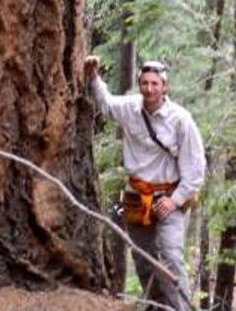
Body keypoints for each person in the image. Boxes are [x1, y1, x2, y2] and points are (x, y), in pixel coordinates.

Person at [88, 56, 205, 311]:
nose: (149, 89)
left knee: (171, 259)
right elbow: (106, 104)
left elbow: (196, 169)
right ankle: (156, 305)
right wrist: (94, 77)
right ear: (139, 84)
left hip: (168, 198)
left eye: (154, 84)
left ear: (165, 87)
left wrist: (175, 200)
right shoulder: (131, 108)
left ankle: (180, 308)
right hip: (135, 194)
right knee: (142, 259)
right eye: (144, 83)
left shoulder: (181, 120)